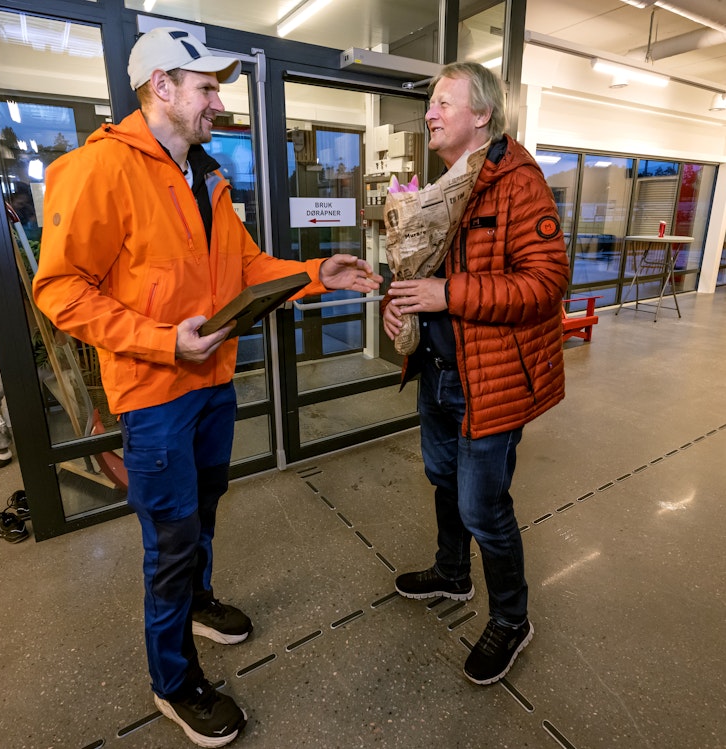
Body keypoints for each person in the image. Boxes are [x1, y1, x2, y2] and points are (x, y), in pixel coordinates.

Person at [32, 27, 380, 748]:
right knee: (170, 537)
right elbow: (59, 289)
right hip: (154, 395)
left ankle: (198, 601)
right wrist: (165, 340)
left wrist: (318, 275)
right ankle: (173, 680)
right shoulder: (97, 169)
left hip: (212, 384)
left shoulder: (207, 176)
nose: (218, 101)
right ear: (162, 86)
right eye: (206, 87)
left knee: (205, 511)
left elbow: (247, 268)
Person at [382, 62, 569, 686]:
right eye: (430, 104)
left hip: (490, 377)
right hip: (437, 369)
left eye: (442, 103)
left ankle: (512, 620)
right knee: (441, 477)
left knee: (483, 506)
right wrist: (401, 308)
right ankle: (452, 573)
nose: (429, 113)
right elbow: (423, 277)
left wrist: (446, 294)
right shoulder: (445, 187)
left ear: (481, 115)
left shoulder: (518, 184)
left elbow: (546, 284)